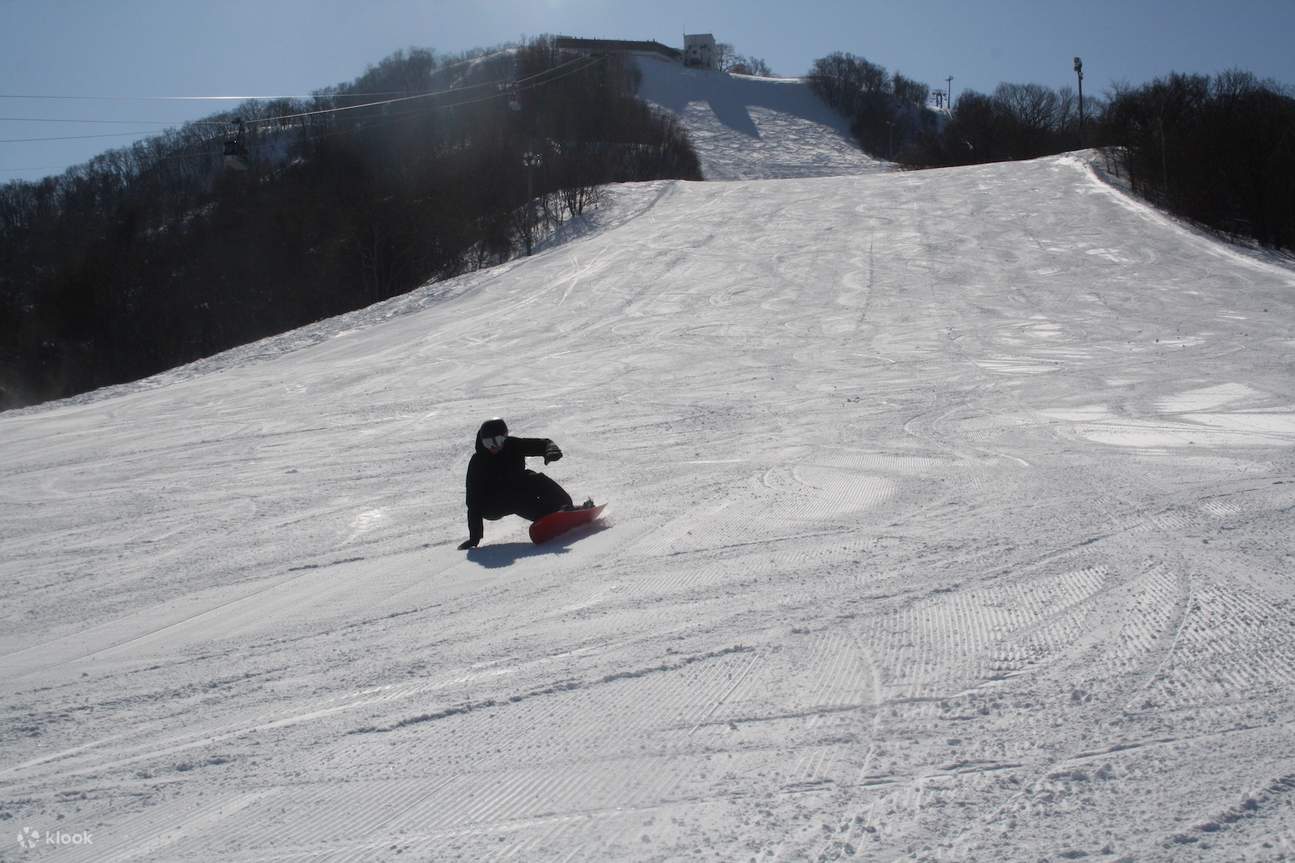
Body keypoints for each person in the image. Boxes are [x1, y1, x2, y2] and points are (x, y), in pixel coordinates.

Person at [457, 418, 582, 550]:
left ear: (505, 438)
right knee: (514, 499)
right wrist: (474, 537)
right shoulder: (477, 462)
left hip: (514, 487)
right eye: (488, 443)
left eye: (498, 441)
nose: (493, 447)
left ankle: (565, 507)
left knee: (534, 477)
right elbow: (473, 501)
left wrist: (550, 450)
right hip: (490, 504)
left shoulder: (513, 445)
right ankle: (546, 516)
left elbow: (543, 444)